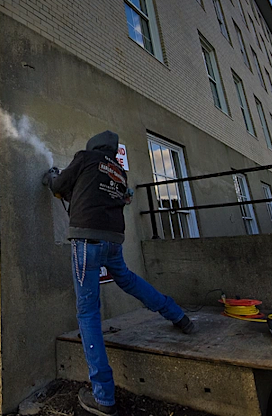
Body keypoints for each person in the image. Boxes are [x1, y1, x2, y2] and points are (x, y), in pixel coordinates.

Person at [44, 130, 195, 416]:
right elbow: (96, 195)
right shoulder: (118, 172)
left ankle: (103, 397)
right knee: (127, 279)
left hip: (87, 241)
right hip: (113, 241)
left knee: (88, 312)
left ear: (93, 146)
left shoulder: (86, 158)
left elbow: (61, 185)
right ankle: (178, 316)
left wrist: (52, 178)